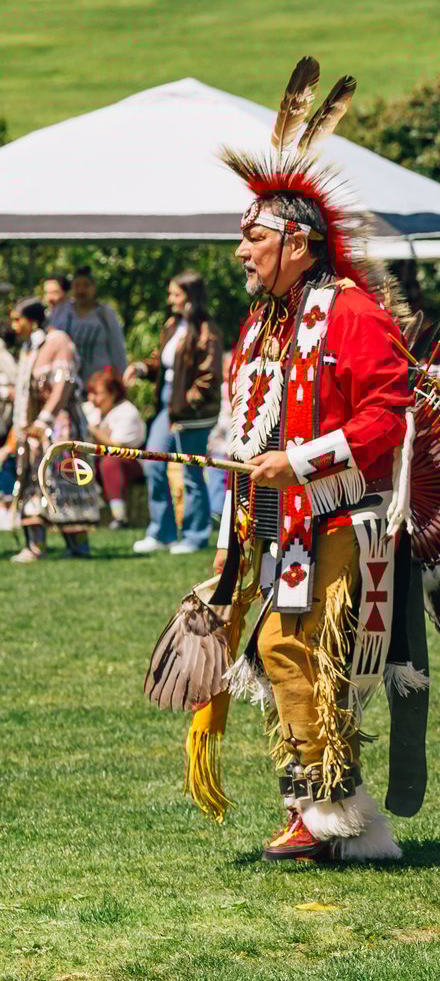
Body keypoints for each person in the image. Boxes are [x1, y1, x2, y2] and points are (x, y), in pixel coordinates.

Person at [207, 60, 419, 863]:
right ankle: (331, 812)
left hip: (341, 516)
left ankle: (331, 810)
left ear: (297, 241)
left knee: (312, 658)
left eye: (252, 237)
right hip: (286, 522)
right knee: (282, 653)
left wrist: (300, 462)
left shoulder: (351, 313)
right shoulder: (271, 323)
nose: (241, 252)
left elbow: (388, 414)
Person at [129, 272, 224, 555]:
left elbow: (208, 377)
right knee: (153, 463)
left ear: (191, 297)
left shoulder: (209, 331)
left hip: (193, 412)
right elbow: (164, 362)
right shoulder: (173, 325)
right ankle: (162, 532)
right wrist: (143, 368)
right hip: (168, 406)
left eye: (176, 295)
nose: (171, 300)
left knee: (191, 472)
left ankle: (195, 536)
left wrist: (185, 406)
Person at [6, 298, 101, 561]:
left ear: (32, 320)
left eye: (18, 319)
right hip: (33, 426)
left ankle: (79, 547)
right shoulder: (28, 347)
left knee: (65, 477)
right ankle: (36, 547)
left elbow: (63, 385)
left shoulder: (60, 342)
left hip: (62, 425)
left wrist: (44, 420)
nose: (14, 325)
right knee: (32, 479)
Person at [47, 267, 128, 386]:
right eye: (77, 285)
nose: (81, 290)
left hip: (99, 387)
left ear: (93, 288)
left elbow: (118, 349)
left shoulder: (104, 314)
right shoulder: (61, 312)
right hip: (66, 384)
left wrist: (121, 379)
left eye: (86, 285)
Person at [87, 368, 146, 527]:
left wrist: (92, 430)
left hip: (131, 463)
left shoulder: (127, 412)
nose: (92, 399)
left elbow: (117, 448)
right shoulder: (94, 412)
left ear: (112, 393)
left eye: (97, 394)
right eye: (90, 393)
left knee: (111, 461)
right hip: (97, 463)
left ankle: (119, 516)